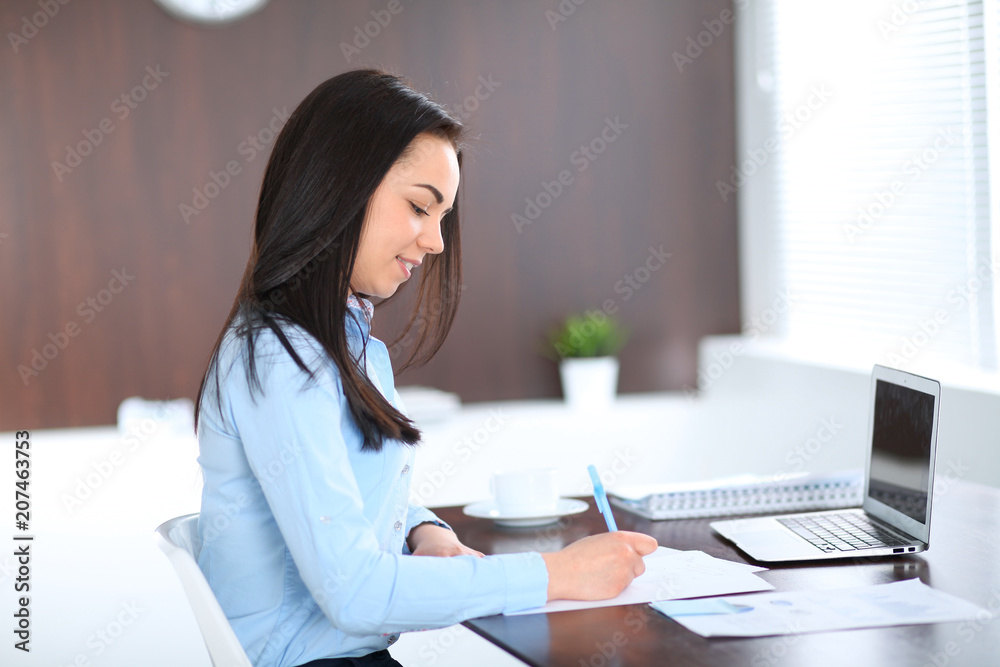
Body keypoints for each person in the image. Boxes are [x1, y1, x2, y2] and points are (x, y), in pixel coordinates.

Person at [194, 69, 657, 667]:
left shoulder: (344, 348)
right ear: (339, 187)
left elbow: (336, 494)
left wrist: (422, 529)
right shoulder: (281, 359)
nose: (436, 242)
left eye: (442, 217)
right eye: (419, 207)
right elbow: (355, 593)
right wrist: (555, 574)